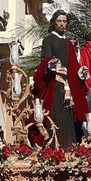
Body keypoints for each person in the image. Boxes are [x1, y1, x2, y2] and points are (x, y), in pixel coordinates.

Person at [33, 10, 80, 146]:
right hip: (54, 81)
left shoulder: (68, 43)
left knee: (66, 114)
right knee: (54, 112)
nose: (61, 24)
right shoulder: (48, 39)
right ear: (54, 22)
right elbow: (45, 58)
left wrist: (81, 71)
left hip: (66, 84)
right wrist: (50, 63)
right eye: (59, 21)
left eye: (64, 21)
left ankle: (67, 146)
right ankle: (53, 146)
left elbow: (73, 65)